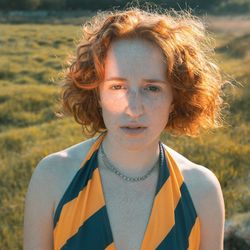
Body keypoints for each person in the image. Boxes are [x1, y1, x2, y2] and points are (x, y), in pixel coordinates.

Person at [23, 6, 226, 250]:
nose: (133, 108)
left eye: (152, 88)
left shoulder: (201, 190)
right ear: (96, 93)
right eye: (117, 87)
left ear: (176, 98)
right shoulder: (53, 178)